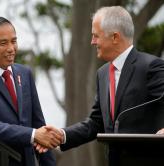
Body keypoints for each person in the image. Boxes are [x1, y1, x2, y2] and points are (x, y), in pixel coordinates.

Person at [35, 6, 164, 165]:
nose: (92, 41)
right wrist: (62, 135)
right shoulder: (103, 74)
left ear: (115, 37)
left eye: (96, 36)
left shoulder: (152, 66)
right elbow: (96, 123)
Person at [0, 16, 62, 166]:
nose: (11, 48)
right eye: (3, 43)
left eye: (14, 41)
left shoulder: (25, 73)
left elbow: (38, 123)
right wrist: (33, 135)